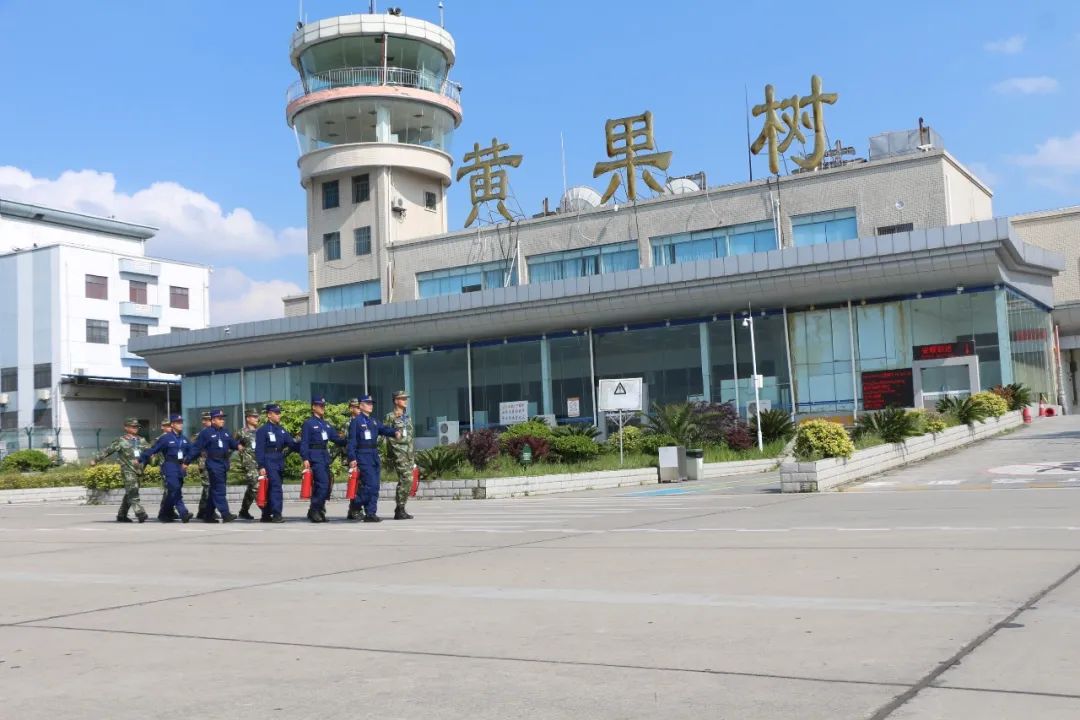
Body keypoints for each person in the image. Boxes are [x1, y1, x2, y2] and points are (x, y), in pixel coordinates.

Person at [347, 395, 399, 523]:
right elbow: (352, 441)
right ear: (361, 405)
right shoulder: (356, 421)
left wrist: (394, 432)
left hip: (374, 454)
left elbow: (384, 429)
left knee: (375, 486)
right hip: (363, 455)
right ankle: (356, 504)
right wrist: (352, 457)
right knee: (369, 485)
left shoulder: (373, 421)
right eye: (368, 403)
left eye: (371, 403)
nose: (371, 405)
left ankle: (371, 513)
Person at [184, 408, 240, 523]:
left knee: (214, 490)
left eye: (222, 418)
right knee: (219, 489)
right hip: (213, 463)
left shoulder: (225, 431)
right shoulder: (206, 433)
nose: (222, 421)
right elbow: (196, 448)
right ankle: (225, 514)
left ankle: (208, 514)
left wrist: (239, 445)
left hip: (224, 463)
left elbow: (232, 444)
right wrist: (187, 461)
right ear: (213, 420)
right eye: (220, 418)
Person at [90, 417, 150, 523]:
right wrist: (95, 460)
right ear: (126, 427)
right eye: (133, 426)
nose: (136, 428)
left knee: (130, 493)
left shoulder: (142, 440)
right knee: (133, 491)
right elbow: (107, 451)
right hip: (127, 470)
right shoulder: (120, 441)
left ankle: (122, 515)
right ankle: (140, 512)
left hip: (139, 471)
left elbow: (150, 452)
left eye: (137, 426)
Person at [299, 396, 347, 523]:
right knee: (322, 484)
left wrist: (349, 440)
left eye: (324, 406)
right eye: (320, 406)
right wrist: (305, 458)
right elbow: (304, 443)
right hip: (314, 456)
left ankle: (318, 510)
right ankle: (315, 510)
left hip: (324, 456)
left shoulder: (326, 424)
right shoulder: (308, 424)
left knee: (326, 486)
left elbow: (336, 438)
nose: (322, 408)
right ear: (314, 407)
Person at [140, 414, 193, 523]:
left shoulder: (184, 439)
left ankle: (164, 513)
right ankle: (184, 513)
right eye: (178, 422)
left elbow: (191, 451)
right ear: (172, 425)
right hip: (170, 466)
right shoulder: (165, 438)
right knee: (175, 489)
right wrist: (141, 458)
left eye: (181, 422)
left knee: (172, 492)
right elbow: (153, 449)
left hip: (180, 467)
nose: (181, 424)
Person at [255, 403, 299, 523]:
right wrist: (261, 465)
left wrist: (305, 448)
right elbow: (259, 449)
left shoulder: (281, 430)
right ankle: (276, 514)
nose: (279, 415)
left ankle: (266, 514)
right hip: (268, 460)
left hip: (279, 460)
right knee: (276, 488)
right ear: (269, 415)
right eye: (276, 413)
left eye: (279, 413)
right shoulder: (263, 430)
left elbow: (292, 444)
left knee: (272, 488)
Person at [384, 390, 416, 520]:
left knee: (408, 480)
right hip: (399, 453)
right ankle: (400, 508)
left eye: (406, 398)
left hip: (408, 453)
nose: (405, 401)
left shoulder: (407, 417)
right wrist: (391, 452)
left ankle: (400, 508)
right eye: (402, 399)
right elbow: (385, 434)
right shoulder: (390, 417)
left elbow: (409, 436)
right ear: (396, 401)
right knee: (406, 479)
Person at [235, 409, 261, 520]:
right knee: (255, 485)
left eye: (257, 416)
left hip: (260, 462)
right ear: (248, 418)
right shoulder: (241, 432)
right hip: (249, 463)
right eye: (254, 417)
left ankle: (243, 511)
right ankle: (266, 509)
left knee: (251, 488)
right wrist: (238, 446)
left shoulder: (260, 431)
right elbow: (232, 443)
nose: (256, 419)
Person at [193, 411, 214, 521]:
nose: (210, 422)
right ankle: (208, 511)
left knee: (211, 486)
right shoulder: (199, 435)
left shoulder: (216, 433)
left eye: (211, 419)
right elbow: (195, 449)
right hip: (204, 463)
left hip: (215, 463)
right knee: (208, 487)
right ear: (203, 421)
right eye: (208, 420)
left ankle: (202, 510)